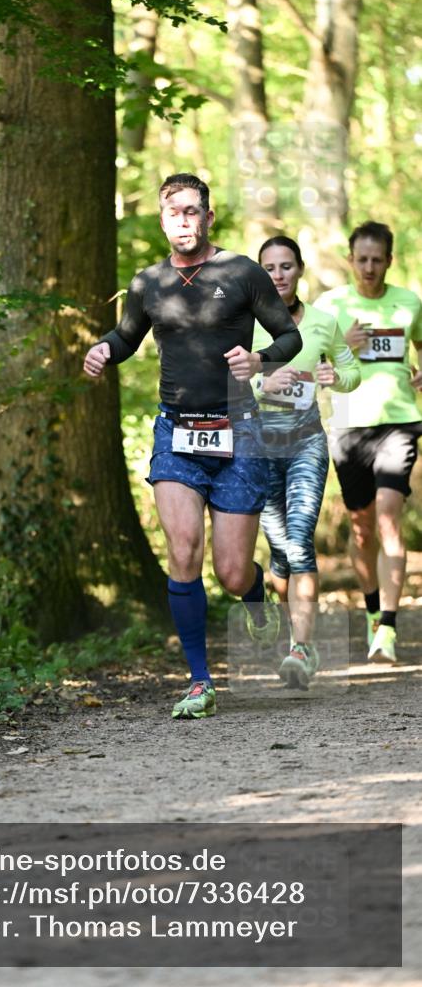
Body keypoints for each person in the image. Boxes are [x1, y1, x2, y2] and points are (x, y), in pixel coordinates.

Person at [82, 173, 302, 719]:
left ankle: (255, 595)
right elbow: (127, 337)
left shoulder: (242, 272)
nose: (184, 220)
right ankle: (200, 681)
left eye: (192, 210)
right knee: (183, 553)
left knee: (232, 573)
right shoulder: (148, 283)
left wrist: (259, 360)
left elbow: (289, 336)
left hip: (239, 431)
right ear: (163, 220)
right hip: (176, 433)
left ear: (208, 216)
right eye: (174, 212)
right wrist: (103, 349)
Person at [252, 237, 360, 688]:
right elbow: (222, 380)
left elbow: (352, 371)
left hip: (306, 443)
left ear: (300, 270)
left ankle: (302, 647)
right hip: (259, 447)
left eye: (286, 266)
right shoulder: (247, 323)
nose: (279, 275)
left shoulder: (322, 322)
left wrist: (338, 376)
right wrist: (262, 385)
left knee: (298, 540)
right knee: (279, 550)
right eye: (270, 268)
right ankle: (285, 619)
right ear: (260, 274)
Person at [314, 221, 422, 664]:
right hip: (348, 426)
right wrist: (344, 346)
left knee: (388, 518)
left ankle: (389, 628)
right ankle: (373, 611)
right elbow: (310, 360)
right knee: (361, 528)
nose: (370, 267)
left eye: (378, 260)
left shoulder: (409, 302)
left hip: (399, 421)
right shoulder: (331, 305)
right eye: (362, 259)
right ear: (350, 260)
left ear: (389, 261)